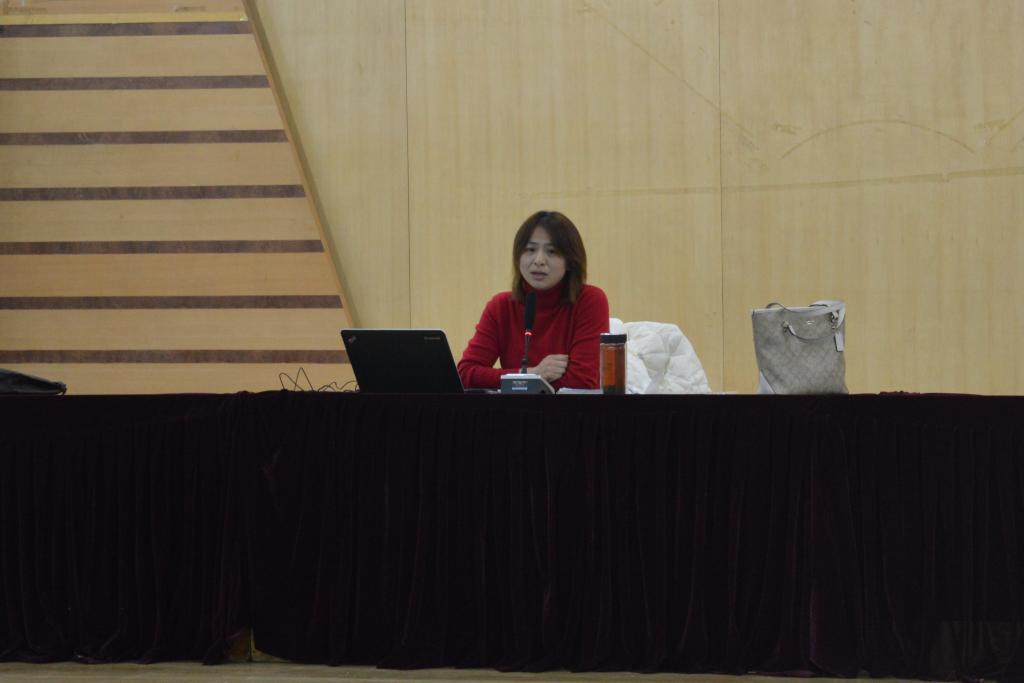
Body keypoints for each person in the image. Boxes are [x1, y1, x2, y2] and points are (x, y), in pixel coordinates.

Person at [458, 210, 609, 390]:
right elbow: (465, 374)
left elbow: (583, 380)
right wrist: (531, 374)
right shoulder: (501, 306)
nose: (539, 260)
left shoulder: (590, 300)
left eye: (552, 252)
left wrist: (516, 382)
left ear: (570, 261)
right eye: (530, 250)